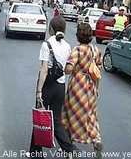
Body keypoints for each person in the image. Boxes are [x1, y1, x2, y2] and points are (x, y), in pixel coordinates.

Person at [28, 16, 78, 158]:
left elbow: (44, 69)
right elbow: (68, 68)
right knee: (56, 119)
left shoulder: (46, 45)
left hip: (47, 86)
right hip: (60, 86)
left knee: (40, 117)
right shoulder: (67, 46)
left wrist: (39, 90)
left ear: (51, 28)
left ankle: (36, 152)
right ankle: (70, 149)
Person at [62, 23, 103, 159]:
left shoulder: (77, 50)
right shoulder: (95, 50)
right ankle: (96, 140)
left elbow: (68, 69)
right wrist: (96, 88)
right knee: (90, 116)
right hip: (90, 86)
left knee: (72, 115)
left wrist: (70, 69)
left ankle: (70, 148)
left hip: (77, 87)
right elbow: (97, 70)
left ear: (78, 36)